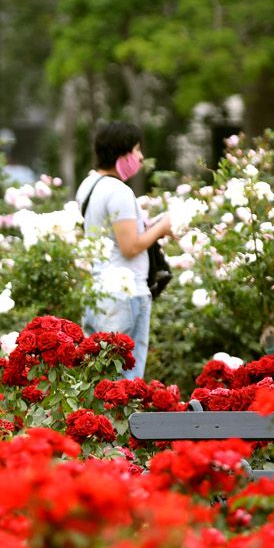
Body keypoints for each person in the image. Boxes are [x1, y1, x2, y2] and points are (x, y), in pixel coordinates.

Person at [75, 121, 171, 380]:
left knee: (99, 382)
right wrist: (162, 227)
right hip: (125, 296)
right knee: (124, 386)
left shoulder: (89, 185)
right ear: (122, 152)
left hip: (99, 292)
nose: (140, 157)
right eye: (137, 150)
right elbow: (130, 247)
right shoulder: (118, 191)